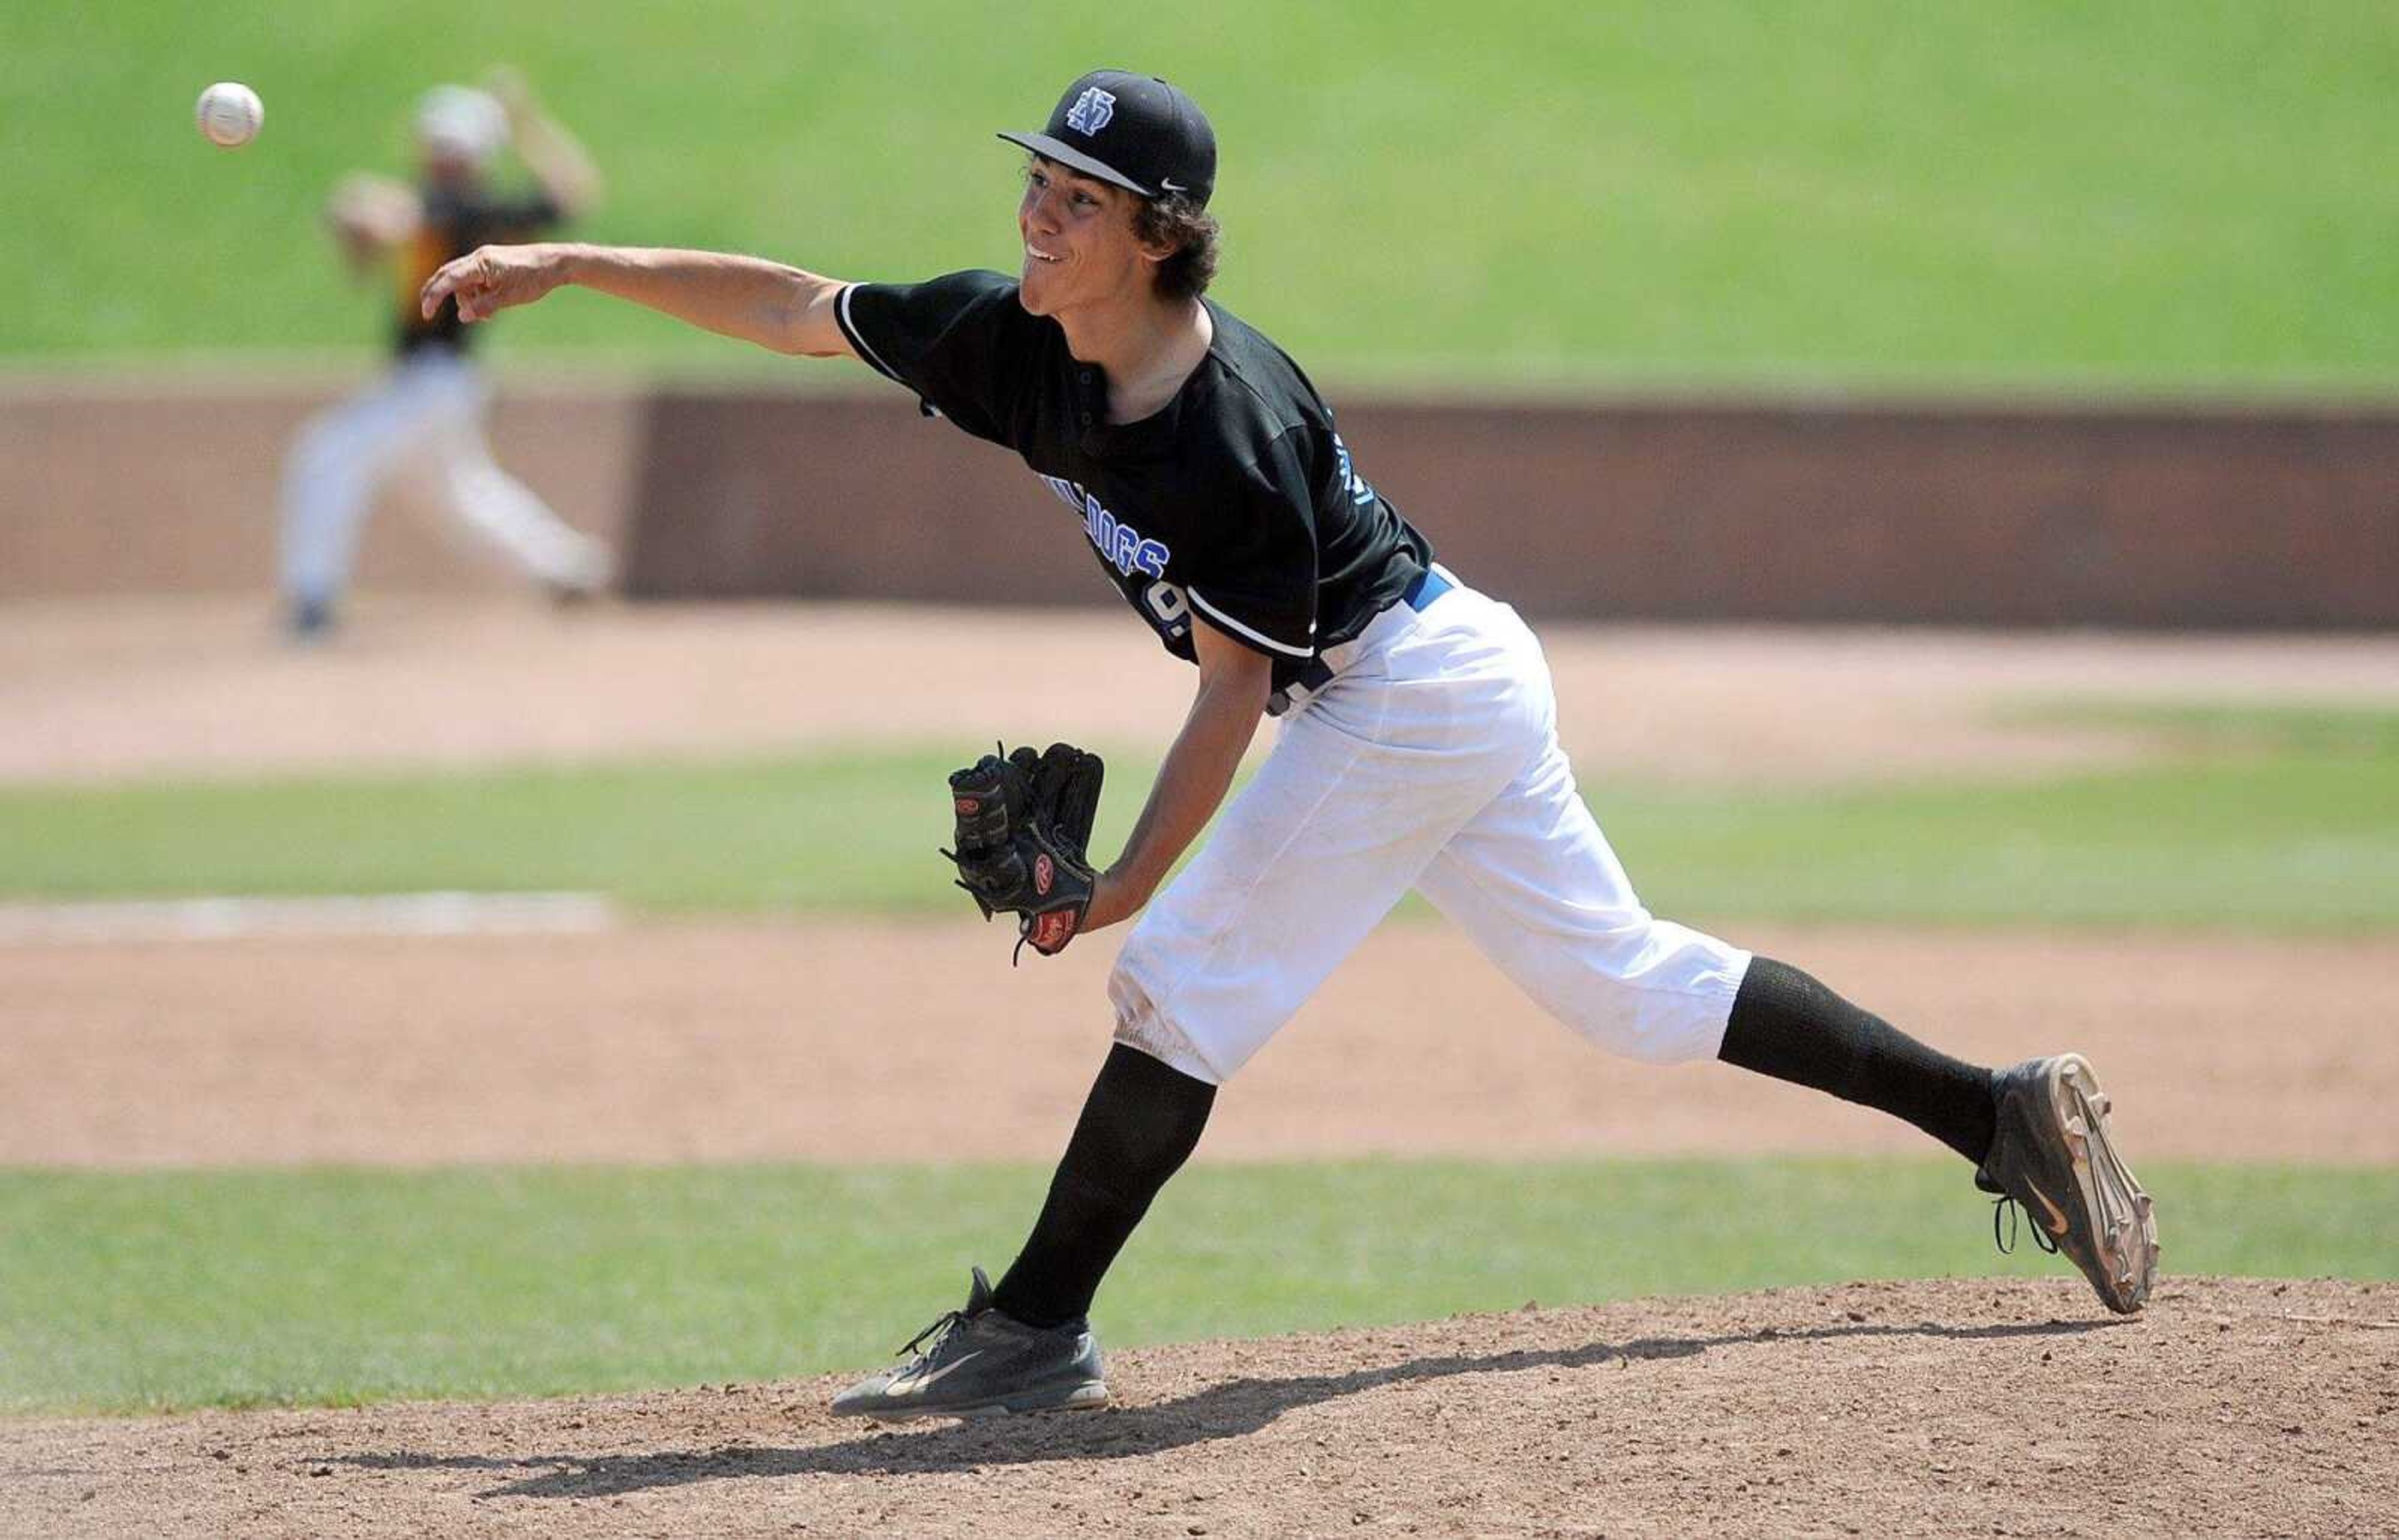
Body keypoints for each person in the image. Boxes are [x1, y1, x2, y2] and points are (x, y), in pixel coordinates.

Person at [420, 69, 2160, 1420]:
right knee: (1626, 988)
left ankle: (1033, 1329)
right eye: (1037, 180)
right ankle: (1994, 1110)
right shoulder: (1004, 337)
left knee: (1177, 982)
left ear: (1161, 232)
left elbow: (1234, 700)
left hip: (1404, 690)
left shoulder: (1228, 436)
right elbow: (800, 308)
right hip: (1443, 669)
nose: (1038, 216)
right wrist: (573, 265)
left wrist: (1111, 893)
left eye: (1078, 200)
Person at [279, 72, 613, 641]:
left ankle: (312, 603)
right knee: (465, 496)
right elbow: (567, 193)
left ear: (475, 156)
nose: (441, 157)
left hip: (433, 381)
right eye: (437, 146)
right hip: (435, 385)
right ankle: (566, 567)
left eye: (452, 149)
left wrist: (525, 124)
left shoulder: (465, 209)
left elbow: (571, 190)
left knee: (326, 455)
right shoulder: (464, 206)